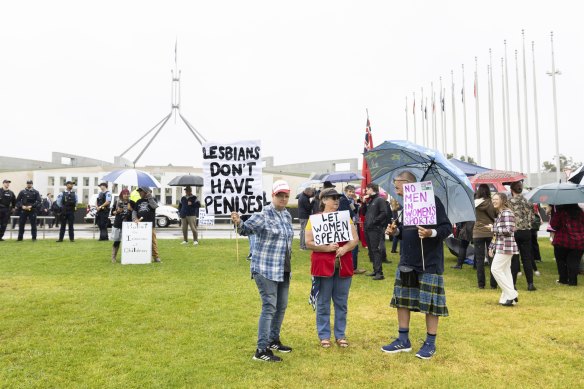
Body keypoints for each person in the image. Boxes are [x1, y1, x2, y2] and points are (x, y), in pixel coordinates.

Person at [382, 170, 452, 360]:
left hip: (429, 262)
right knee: (402, 301)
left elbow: (447, 228)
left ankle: (430, 343)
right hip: (407, 261)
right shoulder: (405, 207)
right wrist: (396, 232)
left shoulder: (432, 201)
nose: (395, 185)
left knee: (430, 305)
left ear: (409, 183)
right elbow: (406, 233)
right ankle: (403, 340)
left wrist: (431, 233)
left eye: (398, 182)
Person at [230, 180, 294, 363]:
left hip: (283, 268)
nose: (283, 198)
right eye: (279, 195)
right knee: (269, 306)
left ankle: (273, 340)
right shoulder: (263, 214)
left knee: (281, 306)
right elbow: (246, 229)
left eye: (286, 195)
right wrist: (238, 221)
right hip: (265, 268)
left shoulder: (287, 216)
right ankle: (261, 349)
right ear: (272, 196)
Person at [306, 188, 359, 348]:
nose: (336, 201)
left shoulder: (345, 218)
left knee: (341, 302)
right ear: (323, 201)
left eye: (337, 198)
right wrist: (326, 248)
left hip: (344, 266)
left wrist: (345, 248)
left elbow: (355, 239)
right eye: (332, 198)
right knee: (323, 302)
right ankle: (324, 336)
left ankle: (340, 335)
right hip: (323, 266)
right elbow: (308, 242)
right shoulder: (314, 219)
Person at [488, 192, 519, 306]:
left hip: (507, 247)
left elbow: (509, 230)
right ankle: (508, 298)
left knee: (495, 269)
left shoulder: (507, 213)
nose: (493, 201)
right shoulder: (501, 213)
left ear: (503, 200)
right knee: (506, 272)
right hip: (502, 246)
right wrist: (491, 246)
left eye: (496, 199)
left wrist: (493, 229)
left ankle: (512, 294)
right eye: (493, 199)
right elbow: (497, 233)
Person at [508, 181, 536, 291]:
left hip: (514, 232)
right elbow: (533, 218)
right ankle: (530, 284)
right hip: (527, 232)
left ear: (511, 190)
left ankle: (513, 284)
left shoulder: (509, 202)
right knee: (527, 258)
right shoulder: (528, 201)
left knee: (514, 258)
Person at [549, 204, 584, 286]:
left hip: (562, 241)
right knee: (574, 262)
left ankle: (563, 280)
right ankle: (573, 282)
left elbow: (553, 225)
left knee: (561, 261)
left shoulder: (560, 212)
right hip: (579, 242)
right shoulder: (581, 213)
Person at [472, 184, 498, 289]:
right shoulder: (493, 203)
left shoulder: (474, 203)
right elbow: (496, 216)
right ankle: (493, 284)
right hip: (491, 232)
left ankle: (481, 284)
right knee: (492, 258)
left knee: (479, 259)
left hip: (477, 232)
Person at [362, 183, 388, 280]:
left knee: (375, 250)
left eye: (367, 189)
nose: (366, 191)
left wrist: (374, 222)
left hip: (375, 229)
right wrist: (364, 203)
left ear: (371, 189)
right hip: (368, 228)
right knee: (371, 250)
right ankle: (375, 270)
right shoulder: (371, 200)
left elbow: (384, 213)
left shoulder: (379, 199)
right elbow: (363, 212)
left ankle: (379, 273)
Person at [338, 185, 365, 274]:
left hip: (350, 224)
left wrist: (356, 204)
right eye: (350, 191)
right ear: (345, 191)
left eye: (353, 192)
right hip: (347, 225)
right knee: (353, 246)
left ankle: (352, 267)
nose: (352, 193)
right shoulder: (343, 199)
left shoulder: (349, 200)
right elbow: (346, 213)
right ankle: (353, 267)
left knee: (353, 246)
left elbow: (354, 211)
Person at [132, 186, 161, 263]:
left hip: (150, 225)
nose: (139, 193)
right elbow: (134, 211)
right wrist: (134, 219)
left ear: (145, 192)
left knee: (153, 241)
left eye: (140, 191)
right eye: (139, 191)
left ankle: (156, 257)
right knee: (140, 241)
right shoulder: (138, 201)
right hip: (140, 225)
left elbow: (154, 206)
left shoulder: (152, 199)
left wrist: (149, 197)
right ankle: (141, 256)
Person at [111, 189, 132, 263]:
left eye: (127, 194)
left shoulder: (131, 202)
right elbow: (112, 213)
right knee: (117, 241)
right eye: (124, 193)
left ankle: (128, 257)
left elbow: (135, 212)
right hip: (118, 224)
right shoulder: (117, 202)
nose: (126, 195)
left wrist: (130, 209)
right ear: (122, 194)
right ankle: (113, 257)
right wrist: (117, 211)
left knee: (128, 242)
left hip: (128, 224)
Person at [530, 203, 543, 276]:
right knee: (534, 242)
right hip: (534, 226)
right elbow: (537, 212)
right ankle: (537, 258)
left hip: (530, 226)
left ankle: (536, 258)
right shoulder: (536, 203)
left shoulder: (531, 204)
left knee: (531, 244)